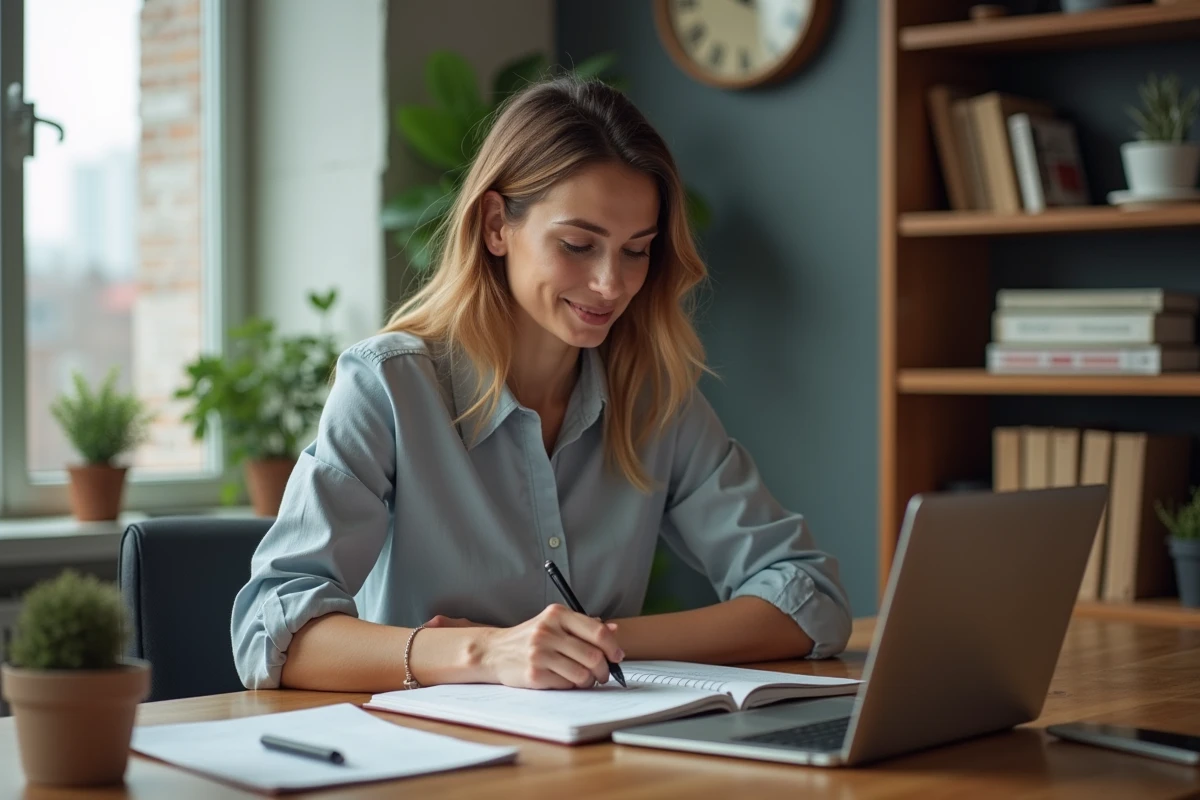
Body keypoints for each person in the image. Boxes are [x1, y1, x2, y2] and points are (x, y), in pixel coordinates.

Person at [231, 76, 851, 694]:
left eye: (637, 250)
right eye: (578, 244)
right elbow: (271, 635)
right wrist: (486, 653)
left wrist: (595, 642)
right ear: (498, 224)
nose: (611, 283)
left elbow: (809, 598)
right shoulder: (388, 387)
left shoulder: (653, 398)